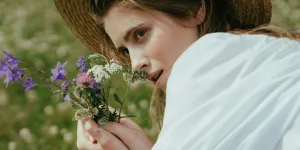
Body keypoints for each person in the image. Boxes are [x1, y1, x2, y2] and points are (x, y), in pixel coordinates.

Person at [54, 0, 300, 149]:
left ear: (195, 10)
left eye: (140, 34)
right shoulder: (274, 53)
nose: (135, 64)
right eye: (125, 51)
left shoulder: (204, 57)